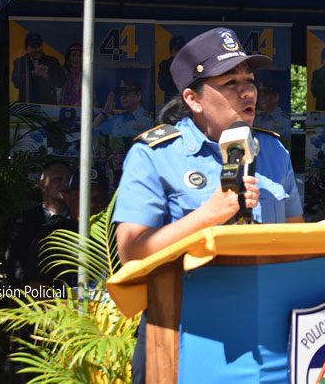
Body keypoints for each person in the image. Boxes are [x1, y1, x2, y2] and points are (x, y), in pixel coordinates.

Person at [112, 27, 304, 384]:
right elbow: (131, 254)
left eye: (250, 80)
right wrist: (208, 216)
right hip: (183, 339)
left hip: (267, 338)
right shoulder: (155, 155)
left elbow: (297, 242)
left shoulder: (274, 152)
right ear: (193, 99)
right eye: (230, 83)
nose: (247, 91)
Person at [5, 159, 73, 288]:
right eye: (58, 179)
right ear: (42, 184)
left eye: (69, 180)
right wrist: (33, 288)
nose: (65, 184)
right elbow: (14, 266)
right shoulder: (23, 220)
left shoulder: (81, 220)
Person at [11, 32, 66, 104]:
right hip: (27, 105)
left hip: (48, 105)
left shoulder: (52, 61)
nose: (37, 49)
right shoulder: (19, 62)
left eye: (39, 45)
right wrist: (33, 74)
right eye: (33, 46)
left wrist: (47, 75)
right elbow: (16, 83)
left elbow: (61, 82)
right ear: (26, 48)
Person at [157, 35, 186, 103]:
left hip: (187, 100)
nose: (179, 52)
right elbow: (162, 86)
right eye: (177, 49)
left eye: (181, 49)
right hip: (171, 101)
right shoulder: (165, 65)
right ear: (171, 51)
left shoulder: (190, 64)